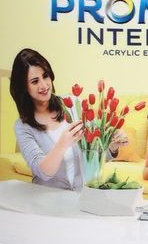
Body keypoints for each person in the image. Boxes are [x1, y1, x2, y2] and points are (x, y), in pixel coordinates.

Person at [10, 48, 125, 190]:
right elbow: (43, 172)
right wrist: (62, 144)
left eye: (45, 76)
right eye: (35, 81)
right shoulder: (23, 127)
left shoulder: (72, 104)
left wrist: (112, 146)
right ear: (24, 87)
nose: (44, 85)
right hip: (47, 198)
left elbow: (92, 155)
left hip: (82, 196)